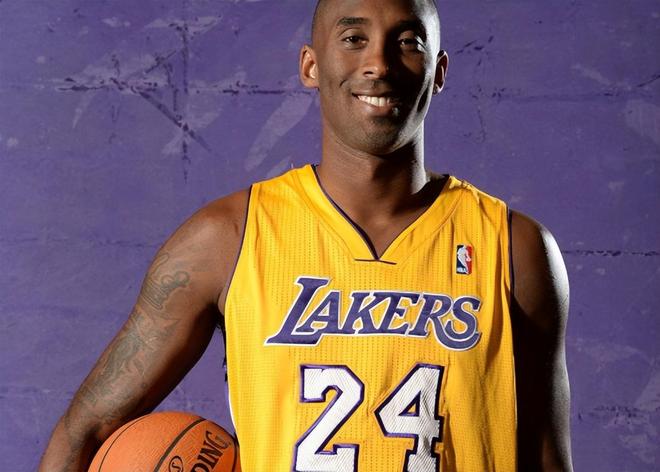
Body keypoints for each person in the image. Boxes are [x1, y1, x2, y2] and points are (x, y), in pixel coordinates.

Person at [39, 0, 573, 470]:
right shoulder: (227, 238)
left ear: (438, 71)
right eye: (354, 38)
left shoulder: (513, 247)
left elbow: (547, 460)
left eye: (408, 42)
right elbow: (83, 431)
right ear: (311, 66)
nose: (379, 64)